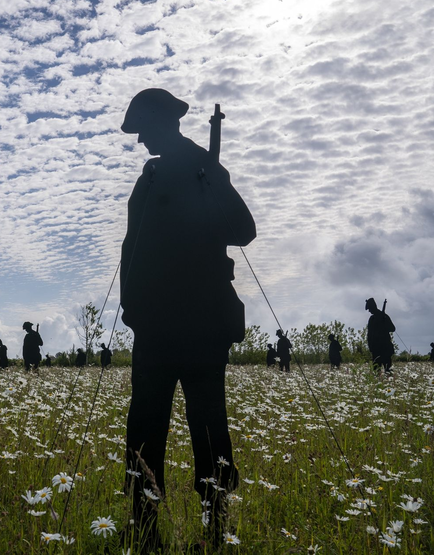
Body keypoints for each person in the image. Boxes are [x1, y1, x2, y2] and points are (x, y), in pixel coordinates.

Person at [119, 89, 256, 551]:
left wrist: (212, 184)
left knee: (207, 426)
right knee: (145, 428)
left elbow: (243, 231)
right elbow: (132, 245)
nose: (139, 141)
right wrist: (133, 309)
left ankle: (214, 528)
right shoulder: (152, 174)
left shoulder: (202, 167)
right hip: (158, 325)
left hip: (198, 324)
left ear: (165, 124)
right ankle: (144, 526)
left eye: (143, 130)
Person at [366, 298, 395, 375]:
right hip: (375, 349)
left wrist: (384, 323)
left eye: (370, 308)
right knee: (376, 371)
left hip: (385, 347)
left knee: (388, 371)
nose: (369, 311)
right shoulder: (372, 319)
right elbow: (369, 334)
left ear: (373, 306)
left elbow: (392, 328)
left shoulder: (384, 316)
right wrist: (370, 346)